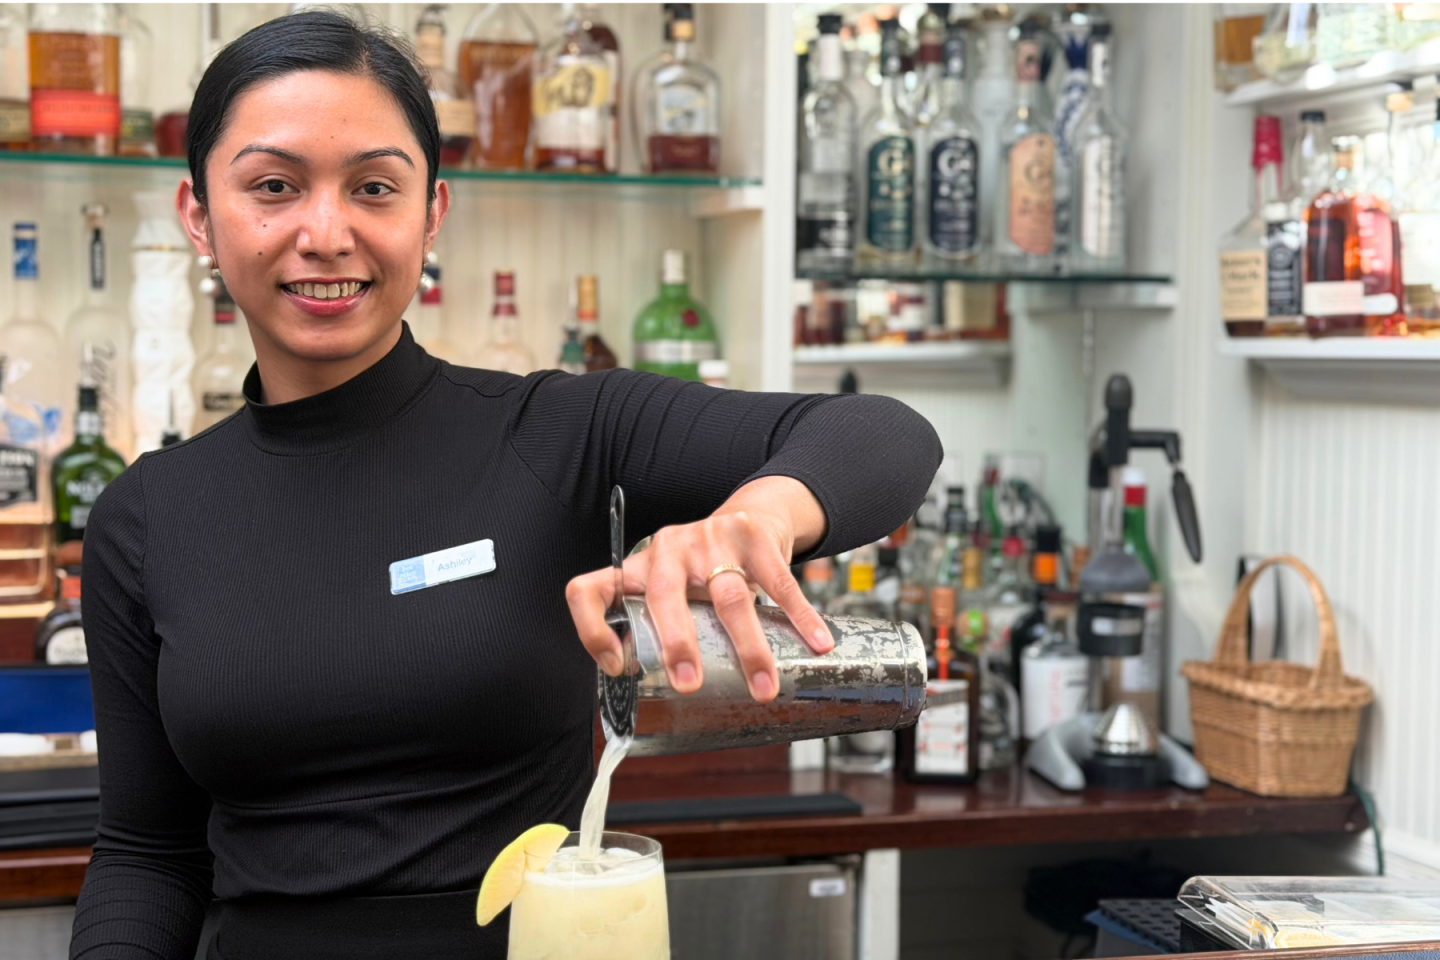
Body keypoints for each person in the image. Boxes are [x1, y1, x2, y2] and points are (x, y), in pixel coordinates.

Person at [70, 12, 941, 960]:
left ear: (431, 213)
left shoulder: (558, 433)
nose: (326, 233)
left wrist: (756, 514)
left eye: (373, 188)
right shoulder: (148, 518)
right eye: (274, 187)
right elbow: (148, 853)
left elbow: (886, 436)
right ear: (199, 213)